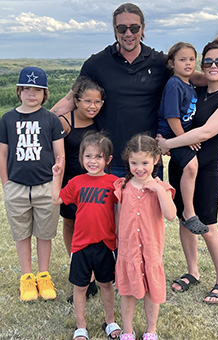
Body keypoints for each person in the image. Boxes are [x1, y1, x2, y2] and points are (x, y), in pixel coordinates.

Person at [51, 3, 218, 178]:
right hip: (107, 162)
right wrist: (39, 121)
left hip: (147, 163)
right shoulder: (96, 64)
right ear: (115, 30)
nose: (128, 33)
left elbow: (195, 77)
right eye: (122, 28)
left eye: (134, 28)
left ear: (143, 28)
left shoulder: (159, 62)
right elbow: (70, 100)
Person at [157, 36, 218, 304]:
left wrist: (167, 143)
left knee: (208, 227)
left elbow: (205, 132)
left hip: (205, 171)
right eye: (208, 61)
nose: (213, 65)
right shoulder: (196, 88)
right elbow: (186, 74)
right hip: (181, 166)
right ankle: (193, 272)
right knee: (184, 220)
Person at [0, 66, 65, 301]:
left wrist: (56, 185)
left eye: (37, 89)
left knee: (45, 234)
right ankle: (27, 278)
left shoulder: (51, 120)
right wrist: (6, 184)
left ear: (45, 94)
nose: (31, 94)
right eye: (26, 89)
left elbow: (60, 156)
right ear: (19, 91)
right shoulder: (7, 119)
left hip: (45, 186)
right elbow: (3, 155)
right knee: (22, 234)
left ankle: (44, 275)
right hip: (16, 186)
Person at [52, 131, 121, 340]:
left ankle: (110, 321)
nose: (93, 161)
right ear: (81, 158)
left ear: (108, 160)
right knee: (80, 287)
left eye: (98, 157)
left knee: (106, 285)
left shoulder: (115, 182)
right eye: (88, 156)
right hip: (80, 245)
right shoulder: (76, 182)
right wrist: (57, 175)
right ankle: (81, 327)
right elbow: (56, 199)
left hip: (106, 244)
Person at [114, 134, 176, 340]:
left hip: (151, 251)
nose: (139, 168)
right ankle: (128, 330)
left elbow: (170, 215)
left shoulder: (161, 188)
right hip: (128, 251)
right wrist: (116, 239)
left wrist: (158, 189)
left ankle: (151, 330)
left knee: (152, 291)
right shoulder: (123, 186)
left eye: (145, 163)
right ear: (128, 161)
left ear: (156, 160)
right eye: (134, 163)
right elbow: (119, 217)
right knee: (127, 291)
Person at [59, 76, 105, 301]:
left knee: (92, 229)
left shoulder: (101, 121)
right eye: (87, 101)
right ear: (76, 101)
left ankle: (94, 274)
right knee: (70, 224)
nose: (92, 106)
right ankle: (79, 270)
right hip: (70, 184)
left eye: (97, 102)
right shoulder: (64, 122)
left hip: (94, 185)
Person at [157, 41, 208, 235]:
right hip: (172, 134)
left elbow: (209, 80)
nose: (188, 63)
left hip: (180, 135)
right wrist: (185, 138)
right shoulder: (174, 84)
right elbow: (172, 117)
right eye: (182, 59)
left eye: (192, 59)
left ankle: (185, 208)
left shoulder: (189, 83)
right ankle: (188, 212)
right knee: (191, 166)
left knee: (189, 168)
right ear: (172, 63)